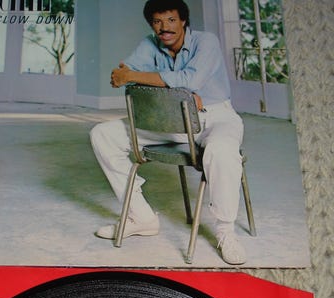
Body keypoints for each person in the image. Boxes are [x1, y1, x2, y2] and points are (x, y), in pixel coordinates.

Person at [90, 0, 247, 265]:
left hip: (215, 117)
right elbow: (123, 76)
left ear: (183, 21)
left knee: (221, 151)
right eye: (157, 22)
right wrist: (181, 93)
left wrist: (170, 85)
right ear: (151, 24)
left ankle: (226, 231)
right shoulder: (149, 44)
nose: (165, 28)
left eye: (171, 20)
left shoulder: (206, 42)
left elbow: (189, 79)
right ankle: (142, 218)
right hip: (171, 120)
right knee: (102, 134)